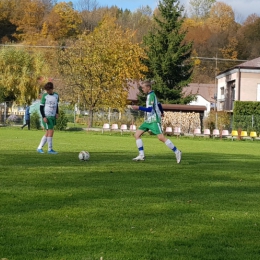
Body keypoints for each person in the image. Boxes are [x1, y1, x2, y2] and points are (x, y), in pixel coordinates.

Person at [131, 80, 182, 163]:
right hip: (148, 120)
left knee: (161, 138)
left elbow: (150, 109)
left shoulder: (151, 95)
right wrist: (162, 112)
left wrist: (138, 107)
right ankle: (141, 155)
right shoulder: (151, 95)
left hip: (154, 120)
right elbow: (158, 104)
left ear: (148, 87)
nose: (142, 89)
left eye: (143, 88)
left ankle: (177, 152)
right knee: (137, 135)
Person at [37, 82, 59, 154]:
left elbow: (56, 105)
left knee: (48, 133)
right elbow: (41, 107)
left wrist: (57, 113)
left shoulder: (56, 95)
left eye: (49, 90)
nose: (47, 91)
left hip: (53, 116)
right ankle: (50, 149)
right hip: (47, 116)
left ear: (52, 89)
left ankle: (39, 148)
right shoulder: (45, 96)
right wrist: (44, 117)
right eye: (47, 90)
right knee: (50, 131)